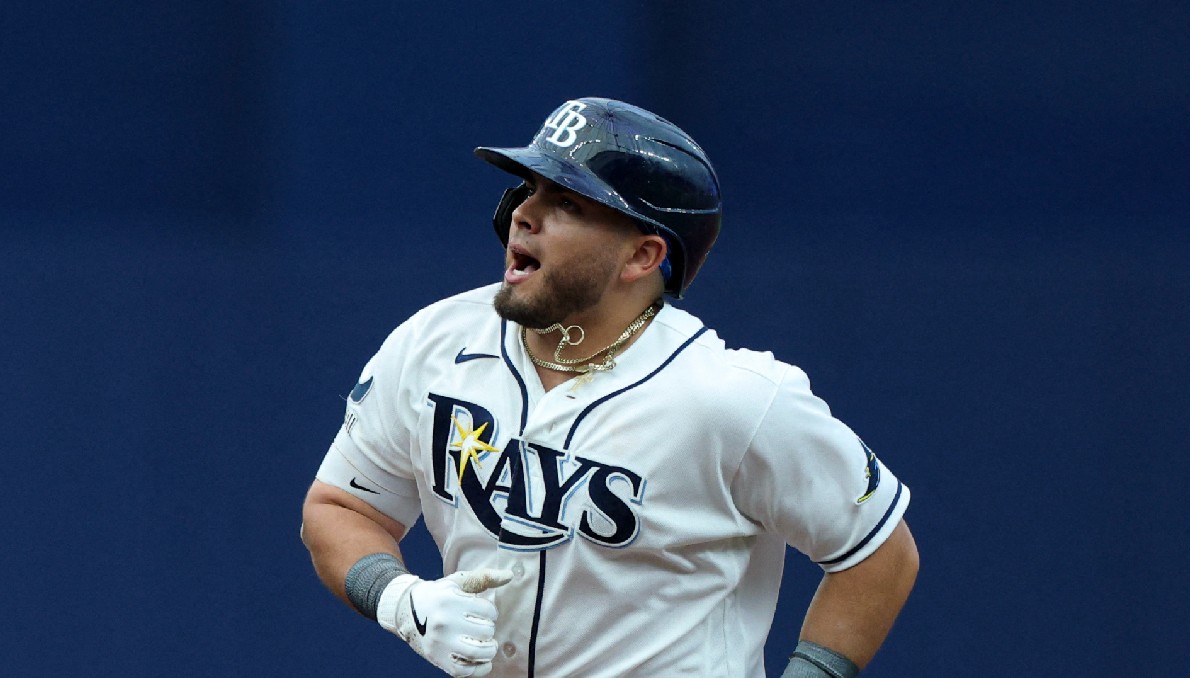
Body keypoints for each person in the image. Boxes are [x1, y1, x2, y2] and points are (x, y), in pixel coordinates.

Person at [300, 97, 918, 678]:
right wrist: (396, 597)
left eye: (568, 202)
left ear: (643, 256)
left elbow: (880, 555)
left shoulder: (735, 397)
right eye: (530, 187)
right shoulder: (435, 341)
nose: (525, 213)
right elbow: (341, 507)